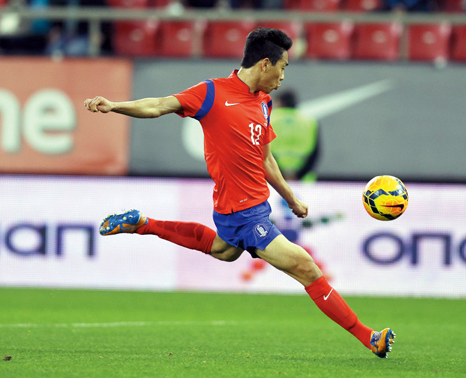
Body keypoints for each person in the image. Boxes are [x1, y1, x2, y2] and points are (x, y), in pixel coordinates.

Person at [84, 27, 395, 358]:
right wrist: (114, 105)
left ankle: (142, 223)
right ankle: (369, 337)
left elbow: (265, 158)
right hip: (241, 211)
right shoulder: (211, 93)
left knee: (225, 251)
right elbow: (158, 105)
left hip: (255, 207)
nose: (283, 76)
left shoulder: (264, 103)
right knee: (307, 268)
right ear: (265, 64)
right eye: (283, 66)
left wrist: (290, 198)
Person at [270, 89, 320, 182]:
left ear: (280, 102)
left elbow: (262, 150)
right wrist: (299, 174)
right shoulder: (309, 121)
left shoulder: (269, 119)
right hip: (303, 180)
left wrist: (280, 174)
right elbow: (315, 152)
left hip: (273, 179)